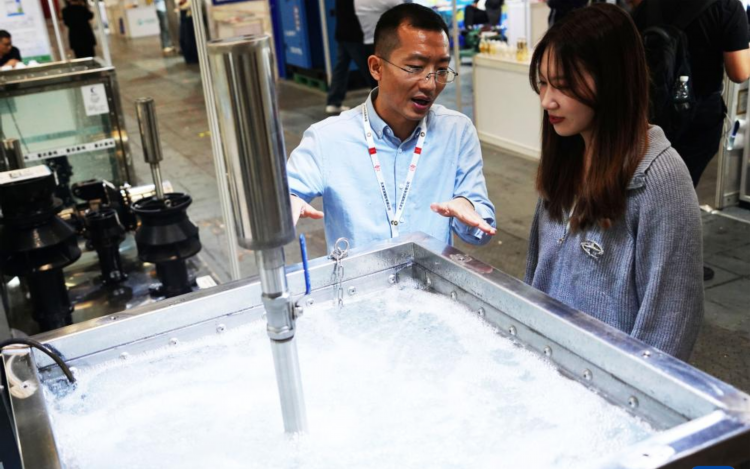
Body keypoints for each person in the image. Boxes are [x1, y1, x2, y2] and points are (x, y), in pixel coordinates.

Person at [525, 4, 703, 360]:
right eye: (543, 83)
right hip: (543, 367)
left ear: (612, 81)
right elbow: (536, 272)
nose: (547, 101)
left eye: (563, 85)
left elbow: (670, 325)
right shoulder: (566, 157)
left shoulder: (661, 179)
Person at [287, 3, 496, 252]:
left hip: (431, 276)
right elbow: (286, 195)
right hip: (360, 277)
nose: (430, 84)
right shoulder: (328, 138)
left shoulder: (457, 131)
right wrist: (288, 203)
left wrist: (467, 205)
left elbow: (480, 225)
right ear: (376, 67)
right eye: (415, 67)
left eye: (441, 70)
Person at [629, 0, 750, 187]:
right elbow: (739, 72)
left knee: (648, 179)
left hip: (652, 110)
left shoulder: (649, 3)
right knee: (681, 184)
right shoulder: (727, 6)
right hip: (699, 116)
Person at [326, 0, 378, 115]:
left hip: (342, 33)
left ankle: (333, 102)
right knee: (371, 71)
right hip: (356, 36)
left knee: (341, 68)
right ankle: (378, 103)